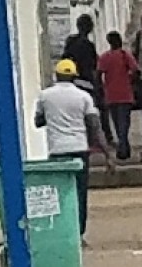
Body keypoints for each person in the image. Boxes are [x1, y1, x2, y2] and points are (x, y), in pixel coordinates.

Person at [34, 59, 116, 243]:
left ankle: (63, 230)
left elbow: (38, 122)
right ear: (74, 76)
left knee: (60, 193)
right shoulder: (84, 97)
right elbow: (95, 127)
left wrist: (53, 116)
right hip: (79, 149)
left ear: (56, 75)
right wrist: (107, 154)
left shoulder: (45, 96)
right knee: (80, 192)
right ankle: (79, 233)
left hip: (57, 150)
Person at [62, 14, 114, 146]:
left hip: (71, 81)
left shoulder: (70, 42)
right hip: (86, 82)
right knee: (98, 110)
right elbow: (92, 67)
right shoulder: (88, 45)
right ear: (90, 28)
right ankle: (105, 138)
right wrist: (98, 85)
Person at [96, 31, 138, 160]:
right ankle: (124, 147)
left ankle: (123, 147)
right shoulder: (125, 55)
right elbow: (135, 70)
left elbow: (98, 74)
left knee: (117, 123)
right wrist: (131, 81)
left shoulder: (105, 57)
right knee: (124, 123)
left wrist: (101, 89)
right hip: (125, 94)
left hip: (111, 95)